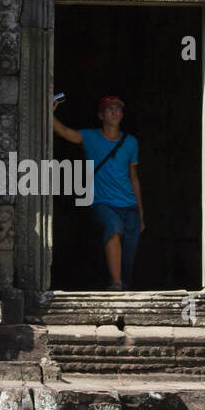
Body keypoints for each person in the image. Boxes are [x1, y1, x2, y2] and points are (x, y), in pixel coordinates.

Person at [53, 94, 145, 290]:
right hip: (102, 202)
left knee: (129, 254)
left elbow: (133, 177)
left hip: (130, 205)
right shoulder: (90, 137)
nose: (115, 112)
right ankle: (116, 283)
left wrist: (141, 211)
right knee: (113, 228)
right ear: (101, 115)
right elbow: (64, 132)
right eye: (110, 109)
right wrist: (47, 112)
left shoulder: (131, 142)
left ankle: (123, 285)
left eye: (118, 109)